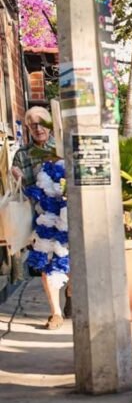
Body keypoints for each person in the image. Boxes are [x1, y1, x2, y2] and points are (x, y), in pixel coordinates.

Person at [12, 106, 68, 329]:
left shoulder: (62, 147)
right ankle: (56, 313)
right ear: (27, 127)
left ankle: (71, 293)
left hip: (67, 214)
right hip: (42, 218)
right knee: (46, 263)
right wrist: (18, 178)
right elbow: (24, 188)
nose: (37, 128)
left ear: (50, 124)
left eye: (41, 122)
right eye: (32, 124)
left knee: (69, 261)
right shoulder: (22, 155)